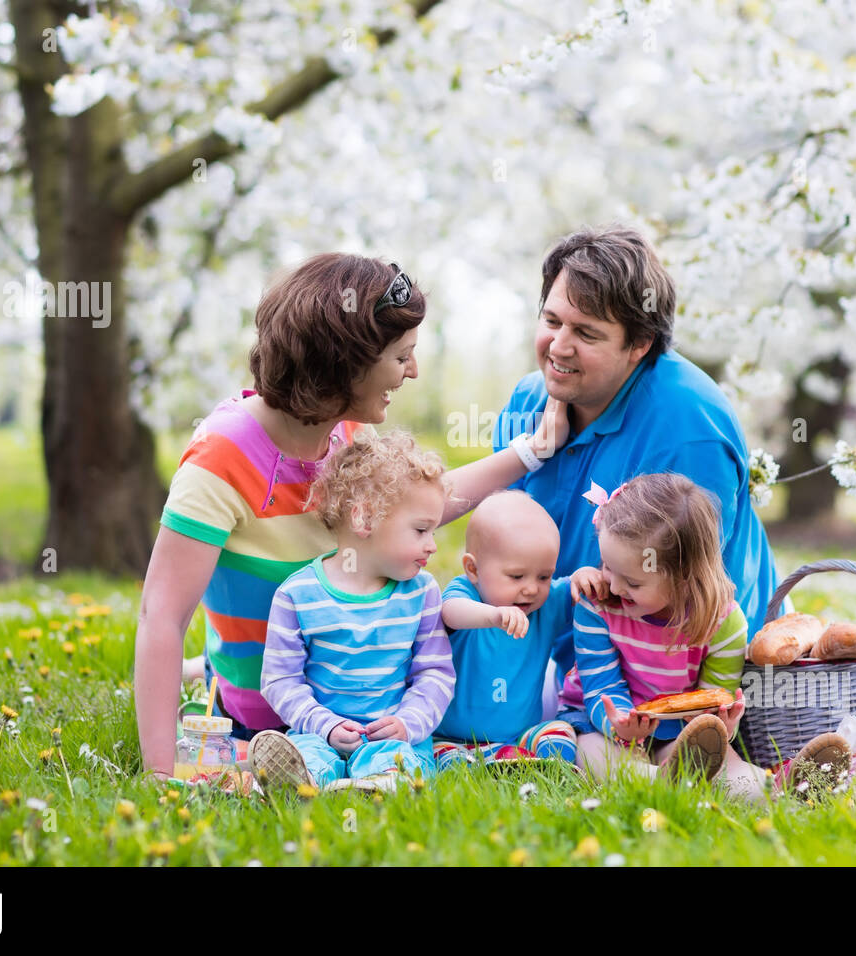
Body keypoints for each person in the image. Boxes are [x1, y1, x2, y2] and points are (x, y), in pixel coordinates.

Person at [136, 254, 568, 777]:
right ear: (346, 364)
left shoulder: (344, 434)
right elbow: (162, 615)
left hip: (366, 711)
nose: (413, 371)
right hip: (274, 715)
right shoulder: (221, 458)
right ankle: (211, 683)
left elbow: (417, 510)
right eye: (401, 356)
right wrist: (161, 768)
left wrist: (530, 452)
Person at [493, 225, 781, 687]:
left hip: (684, 668)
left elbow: (688, 593)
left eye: (586, 333)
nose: (559, 347)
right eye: (551, 321)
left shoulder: (689, 426)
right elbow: (495, 546)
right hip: (573, 653)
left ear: (640, 344)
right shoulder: (529, 401)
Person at [248, 431, 453, 792]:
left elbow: (435, 673)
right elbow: (280, 680)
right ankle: (304, 783)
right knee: (306, 756)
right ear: (363, 519)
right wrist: (323, 725)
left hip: (393, 736)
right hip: (316, 732)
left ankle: (381, 784)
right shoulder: (297, 596)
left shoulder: (421, 593)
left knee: (398, 761)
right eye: (421, 530)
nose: (432, 545)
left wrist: (408, 723)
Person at [556, 473, 766, 797]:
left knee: (733, 777)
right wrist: (622, 725)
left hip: (678, 730)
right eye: (607, 566)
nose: (612, 586)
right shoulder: (598, 605)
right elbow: (601, 684)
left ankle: (777, 785)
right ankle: (663, 783)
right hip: (601, 721)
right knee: (596, 758)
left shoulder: (723, 621)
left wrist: (720, 725)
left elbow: (711, 699)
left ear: (684, 577)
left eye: (632, 582)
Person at [431, 490, 603, 767]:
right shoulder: (466, 593)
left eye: (544, 576)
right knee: (446, 758)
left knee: (559, 735)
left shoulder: (544, 605)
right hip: (454, 735)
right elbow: (450, 613)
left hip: (521, 734)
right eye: (516, 576)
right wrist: (494, 616)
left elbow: (573, 588)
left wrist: (584, 576)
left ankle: (520, 760)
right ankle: (478, 761)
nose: (532, 588)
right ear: (473, 569)